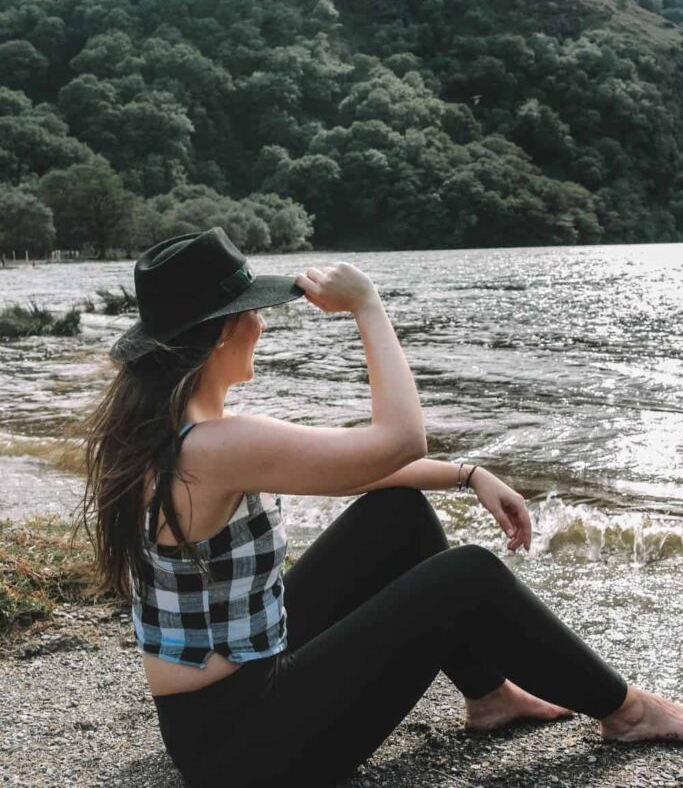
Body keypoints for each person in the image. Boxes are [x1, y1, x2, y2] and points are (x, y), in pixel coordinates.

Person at [79, 226, 683, 788]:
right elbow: (399, 439)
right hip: (242, 749)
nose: (262, 322)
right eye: (254, 311)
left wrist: (468, 474)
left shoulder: (176, 431)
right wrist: (367, 305)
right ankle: (628, 711)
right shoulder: (217, 446)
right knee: (466, 575)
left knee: (398, 516)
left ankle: (490, 694)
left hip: (216, 712)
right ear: (223, 330)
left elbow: (357, 469)